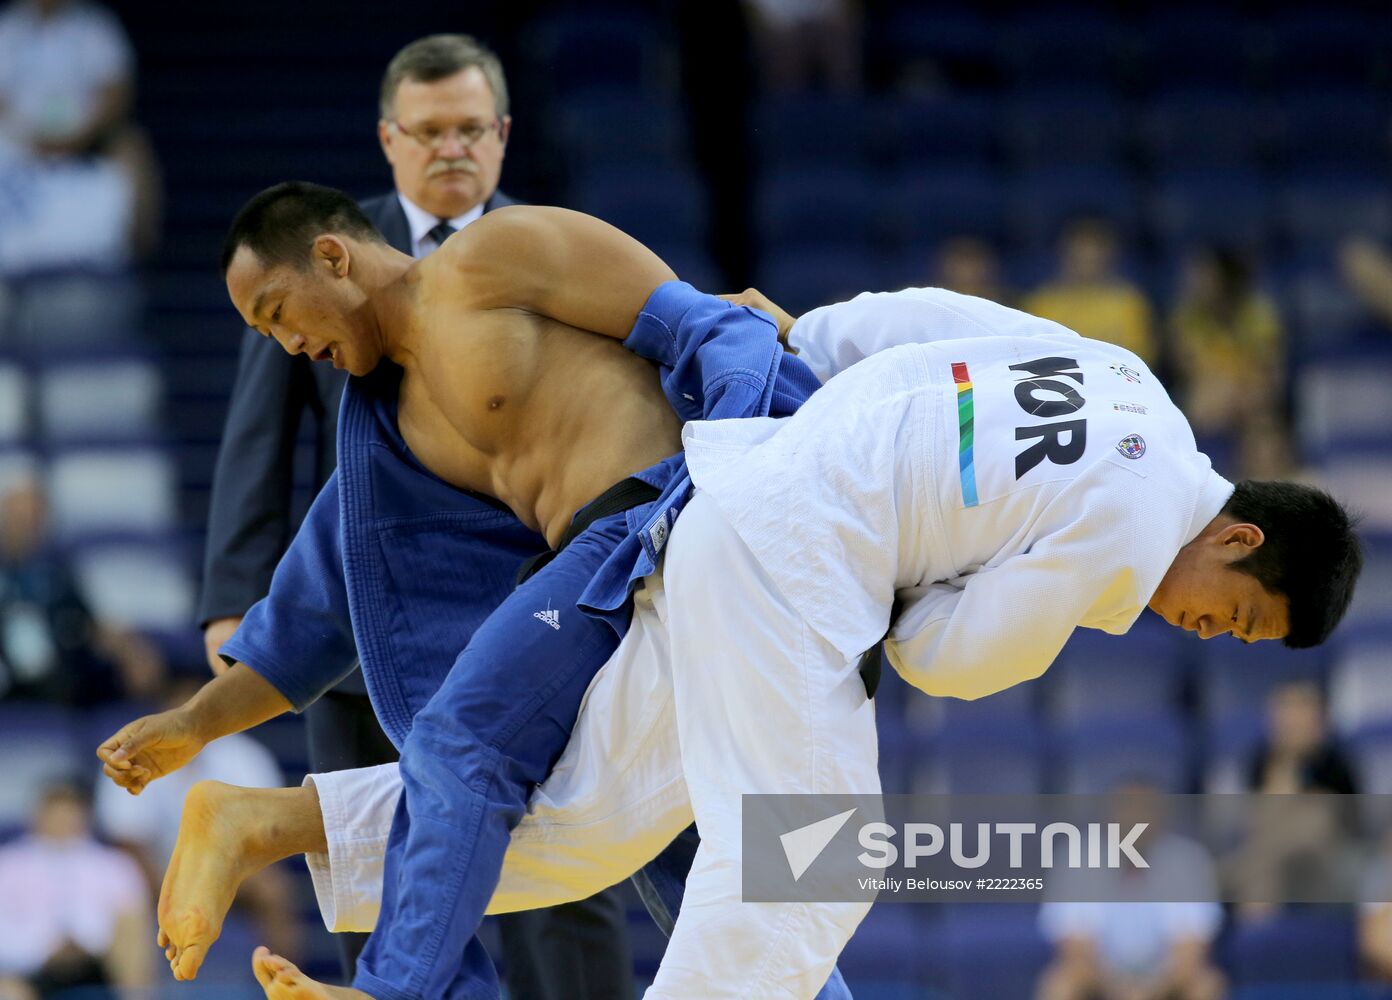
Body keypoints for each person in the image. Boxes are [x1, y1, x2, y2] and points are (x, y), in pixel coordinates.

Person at [102, 192, 1362, 998]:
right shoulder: (1135, 539)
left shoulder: (1123, 374)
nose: (1200, 629)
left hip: (720, 501)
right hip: (801, 566)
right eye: (1233, 611)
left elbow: (925, 319)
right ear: (1237, 530)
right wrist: (903, 594)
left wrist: (804, 342)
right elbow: (958, 662)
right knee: (817, 869)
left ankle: (273, 822)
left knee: (598, 815)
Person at [195, 35, 633, 993]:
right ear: (389, 140)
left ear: (503, 135)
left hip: (537, 607)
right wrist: (236, 601)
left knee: (563, 879)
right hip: (365, 638)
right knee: (386, 877)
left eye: (470, 129)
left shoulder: (547, 242)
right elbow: (257, 448)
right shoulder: (299, 261)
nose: (451, 150)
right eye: (429, 132)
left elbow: (654, 339)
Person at [95, 674, 301, 968]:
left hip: (228, 866)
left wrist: (224, 873)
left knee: (273, 890)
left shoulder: (243, 755)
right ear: (162, 715)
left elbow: (268, 830)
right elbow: (127, 840)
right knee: (127, 888)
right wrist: (173, 886)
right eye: (179, 710)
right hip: (158, 871)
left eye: (195, 708)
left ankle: (283, 979)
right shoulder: (136, 755)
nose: (188, 719)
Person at [1036, 781, 1226, 1000]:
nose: (1134, 819)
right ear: (1109, 816)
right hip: (1100, 981)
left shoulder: (1189, 861)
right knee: (1059, 984)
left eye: (1144, 810)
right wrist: (1119, 991)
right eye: (1127, 809)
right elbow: (1077, 952)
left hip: (1166, 984)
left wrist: (1150, 991)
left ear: (1161, 817)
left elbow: (1189, 954)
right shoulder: (1077, 860)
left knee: (1206, 984)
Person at [0, 780, 152, 999]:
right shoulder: (9, 864)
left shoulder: (114, 864)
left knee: (131, 923)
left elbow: (131, 923)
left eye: (69, 813)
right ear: (38, 815)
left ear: (84, 817)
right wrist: (44, 946)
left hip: (99, 960)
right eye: (56, 813)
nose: (63, 820)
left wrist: (85, 941)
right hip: (30, 964)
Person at [1169, 246, 1287, 478]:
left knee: (1262, 416)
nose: (1195, 282)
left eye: (1203, 275)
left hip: (1251, 394)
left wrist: (1243, 391)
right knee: (1204, 401)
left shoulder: (1258, 313)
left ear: (1224, 279)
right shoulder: (1185, 316)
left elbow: (1270, 369)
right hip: (1208, 394)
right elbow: (1187, 368)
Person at [1023, 216, 1157, 365]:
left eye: (1093, 257)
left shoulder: (1128, 302)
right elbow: (1032, 353)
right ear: (1065, 256)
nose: (1086, 264)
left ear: (1108, 257)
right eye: (1079, 256)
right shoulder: (1043, 302)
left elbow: (1140, 356)